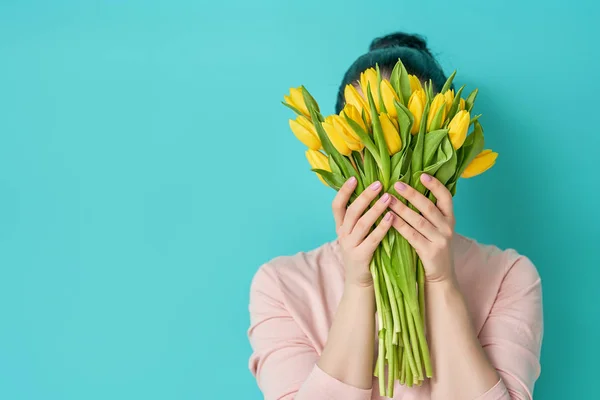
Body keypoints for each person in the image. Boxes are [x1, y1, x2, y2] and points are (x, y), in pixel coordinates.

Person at [247, 32, 543, 400]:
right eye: (367, 133)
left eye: (415, 137)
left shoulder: (508, 277)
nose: (390, 173)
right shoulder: (282, 287)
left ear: (448, 147)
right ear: (342, 151)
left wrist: (441, 282)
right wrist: (359, 286)